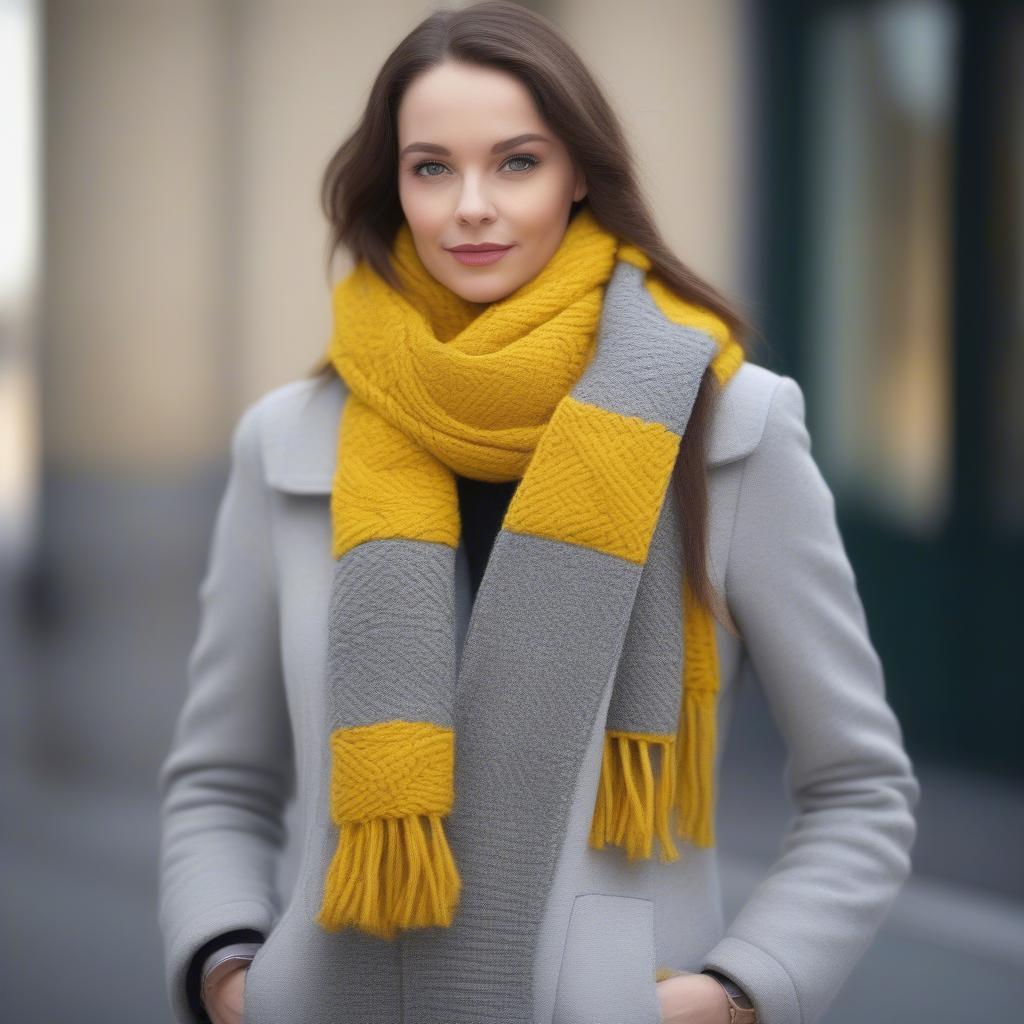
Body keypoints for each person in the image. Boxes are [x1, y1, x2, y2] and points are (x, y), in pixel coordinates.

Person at [156, 3, 919, 1023]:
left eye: (515, 162)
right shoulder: (289, 442)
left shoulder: (726, 427)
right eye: (432, 167)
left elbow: (859, 789)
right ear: (392, 186)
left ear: (578, 175)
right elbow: (220, 781)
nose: (471, 204)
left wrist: (736, 994)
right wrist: (230, 975)